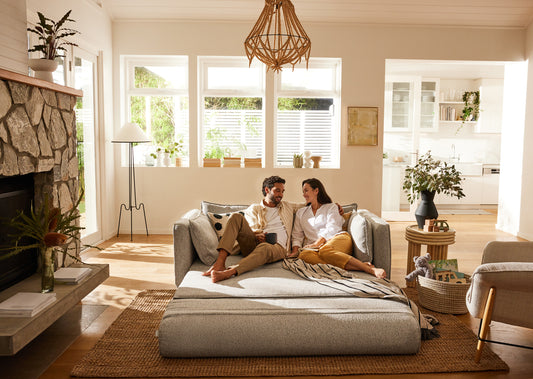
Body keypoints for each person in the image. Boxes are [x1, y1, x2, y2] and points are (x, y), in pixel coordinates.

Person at [203, 176, 295, 283]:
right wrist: (257, 236)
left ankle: (229, 272)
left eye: (283, 191)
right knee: (236, 217)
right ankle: (219, 263)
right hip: (254, 243)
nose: (281, 195)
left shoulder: (287, 206)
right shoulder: (254, 209)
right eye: (277, 191)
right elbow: (250, 229)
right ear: (267, 190)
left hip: (277, 248)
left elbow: (309, 205)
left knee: (265, 247)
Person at [290, 178, 387, 279]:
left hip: (337, 239)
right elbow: (297, 235)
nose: (303, 194)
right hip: (315, 250)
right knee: (303, 256)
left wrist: (317, 243)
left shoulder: (331, 207)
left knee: (325, 251)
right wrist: (294, 251)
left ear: (316, 191)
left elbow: (333, 228)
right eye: (303, 191)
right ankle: (359, 266)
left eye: (306, 190)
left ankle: (370, 270)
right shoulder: (301, 212)